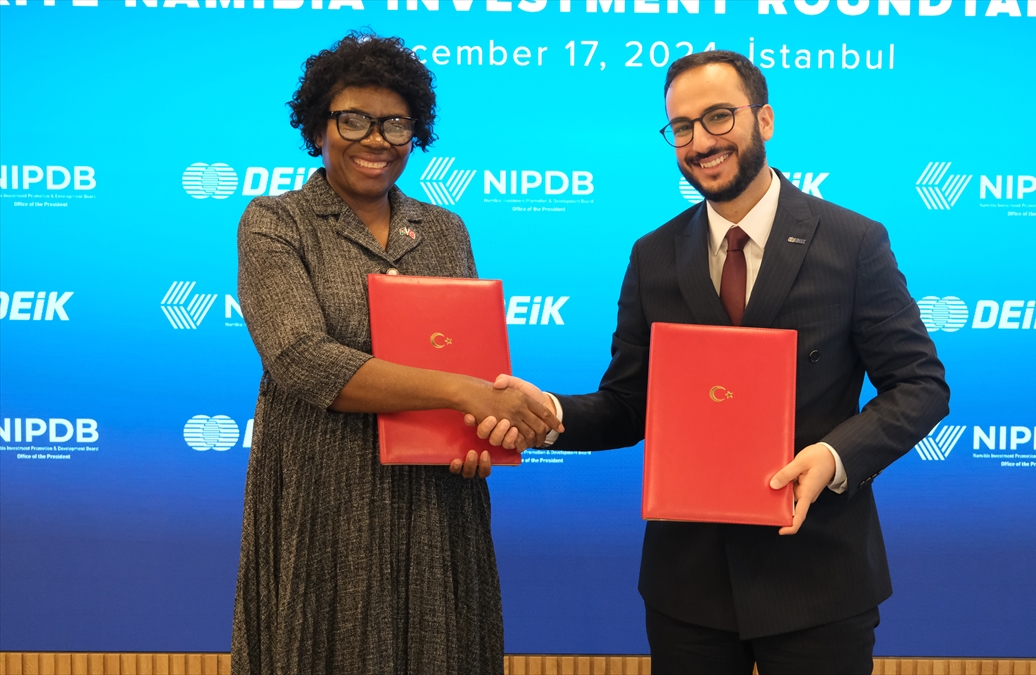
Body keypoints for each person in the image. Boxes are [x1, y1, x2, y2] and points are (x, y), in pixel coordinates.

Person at [472, 51, 949, 674]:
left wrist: (833, 458)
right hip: (689, 586)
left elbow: (920, 386)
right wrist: (548, 413)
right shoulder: (653, 255)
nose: (700, 142)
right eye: (682, 127)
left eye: (719, 117)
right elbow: (628, 405)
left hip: (818, 575)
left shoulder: (852, 242)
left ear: (765, 120)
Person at [231, 33, 561, 675]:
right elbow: (300, 358)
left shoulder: (445, 230)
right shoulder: (275, 222)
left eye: (395, 124)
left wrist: (479, 434)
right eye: (353, 120)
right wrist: (462, 393)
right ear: (317, 128)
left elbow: (471, 362)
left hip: (436, 500)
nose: (376, 139)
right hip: (324, 496)